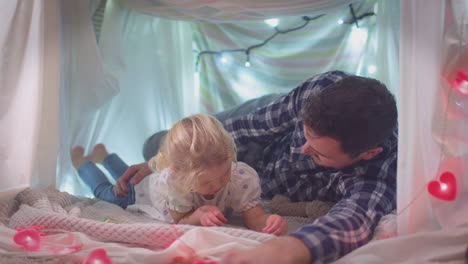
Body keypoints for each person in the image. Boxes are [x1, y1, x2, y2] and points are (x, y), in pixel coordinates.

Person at [114, 71, 398, 263]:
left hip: (264, 173)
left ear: (366, 153)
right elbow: (255, 126)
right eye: (306, 135)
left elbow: (354, 218)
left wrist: (289, 248)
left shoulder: (380, 170)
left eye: (318, 152)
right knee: (155, 145)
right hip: (262, 134)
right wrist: (164, 159)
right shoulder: (323, 91)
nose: (303, 149)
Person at [71, 114, 287, 235]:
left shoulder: (240, 176)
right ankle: (83, 164)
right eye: (206, 182)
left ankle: (105, 155)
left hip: (152, 177)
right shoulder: (177, 183)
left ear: (230, 160)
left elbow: (256, 217)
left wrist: (270, 221)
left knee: (127, 176)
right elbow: (180, 221)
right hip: (141, 194)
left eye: (223, 176)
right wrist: (197, 215)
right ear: (179, 174)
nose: (218, 185)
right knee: (108, 193)